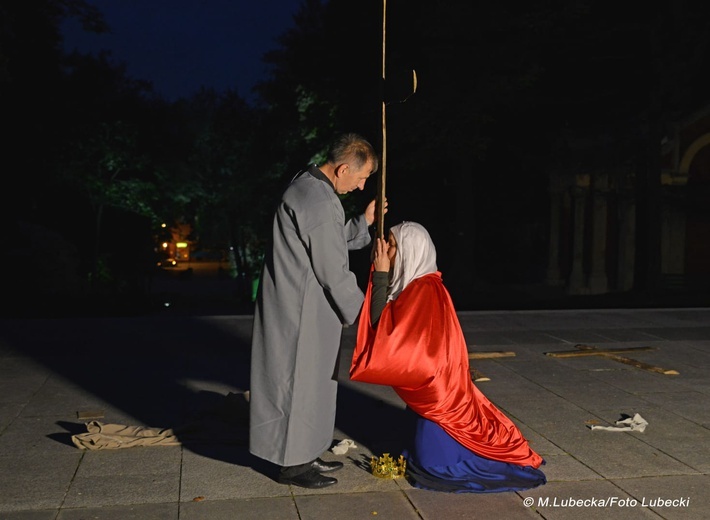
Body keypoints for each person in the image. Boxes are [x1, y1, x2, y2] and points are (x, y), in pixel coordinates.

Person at [350, 221, 547, 493]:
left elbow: (383, 329)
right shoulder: (423, 286)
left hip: (436, 389)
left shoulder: (423, 290)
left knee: (432, 465)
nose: (386, 252)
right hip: (436, 384)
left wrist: (380, 274)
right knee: (421, 449)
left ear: (411, 250)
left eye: (392, 246)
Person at [249, 133, 383, 489]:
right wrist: (367, 313)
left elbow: (326, 239)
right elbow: (332, 268)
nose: (361, 186)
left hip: (301, 302)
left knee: (311, 383)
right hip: (300, 308)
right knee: (297, 382)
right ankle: (292, 465)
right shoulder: (320, 201)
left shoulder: (308, 185)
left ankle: (305, 452)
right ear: (342, 168)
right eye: (362, 177)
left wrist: (363, 223)